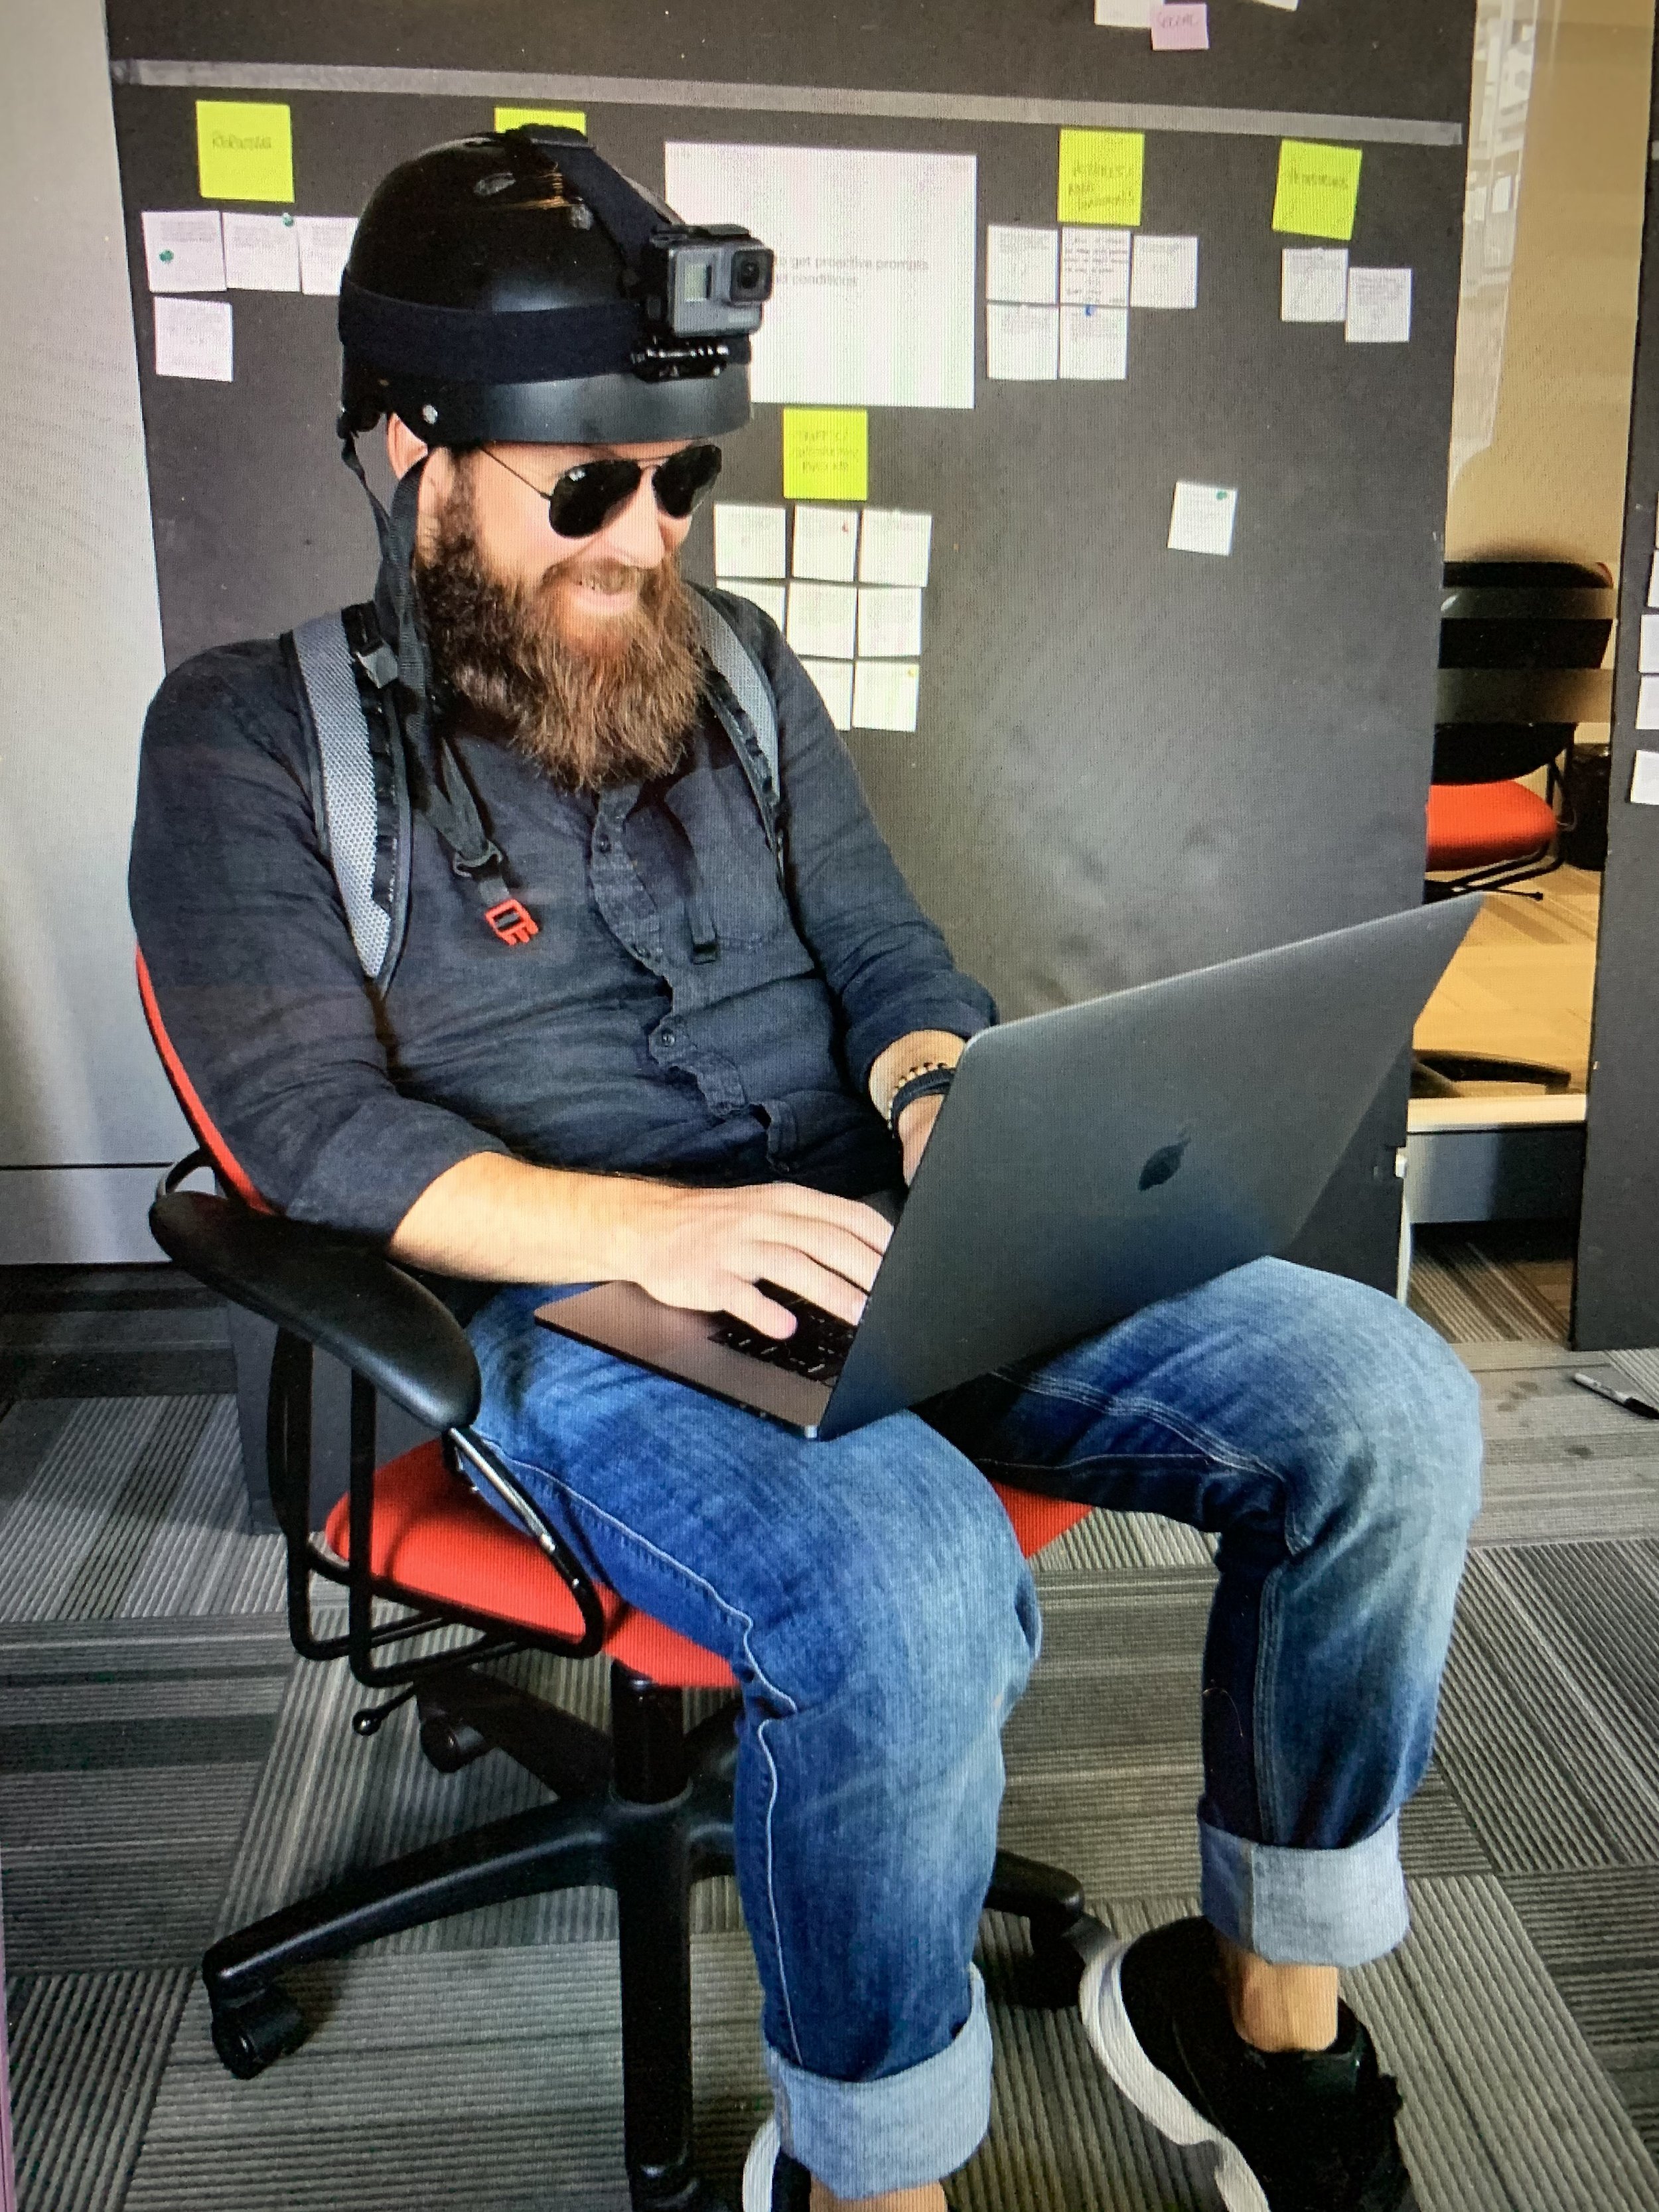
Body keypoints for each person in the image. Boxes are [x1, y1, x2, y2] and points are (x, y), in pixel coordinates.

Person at [129, 128, 1482, 2212]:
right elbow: (311, 1132)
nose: (642, 539)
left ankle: (1254, 2014)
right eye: (583, 486)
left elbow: (887, 959)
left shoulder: (738, 666)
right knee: (912, 1580)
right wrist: (669, 1228)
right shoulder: (243, 739)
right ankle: (868, 2173)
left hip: (875, 1237)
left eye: (677, 483)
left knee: (1384, 1399)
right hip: (556, 1318)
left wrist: (945, 1092)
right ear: (411, 454)